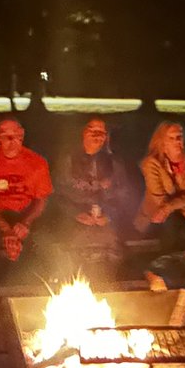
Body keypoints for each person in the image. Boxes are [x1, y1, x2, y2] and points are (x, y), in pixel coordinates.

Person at [0, 117, 53, 285]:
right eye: (6, 136)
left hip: (29, 213)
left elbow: (41, 200)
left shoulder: (37, 163)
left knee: (48, 245)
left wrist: (26, 223)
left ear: (22, 135)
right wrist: (5, 229)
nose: (12, 141)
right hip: (1, 215)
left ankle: (48, 285)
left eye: (16, 136)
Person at [53, 118, 130, 279]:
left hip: (106, 220)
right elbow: (58, 194)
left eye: (101, 132)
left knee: (110, 252)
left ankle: (106, 286)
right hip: (73, 220)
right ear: (82, 132)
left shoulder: (114, 163)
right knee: (71, 254)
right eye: (92, 130)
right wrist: (75, 214)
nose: (97, 135)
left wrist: (109, 215)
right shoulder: (67, 160)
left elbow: (124, 195)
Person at [134, 122, 185, 252]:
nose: (177, 141)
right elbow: (159, 199)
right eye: (171, 138)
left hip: (174, 214)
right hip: (155, 216)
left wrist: (170, 207)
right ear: (163, 143)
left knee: (183, 227)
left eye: (179, 137)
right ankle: (167, 264)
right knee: (175, 225)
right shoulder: (151, 163)